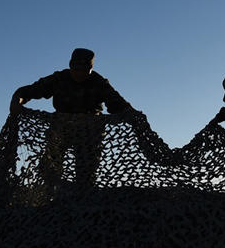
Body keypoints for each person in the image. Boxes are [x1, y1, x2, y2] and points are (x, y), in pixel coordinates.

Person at [10, 48, 133, 195]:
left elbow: (119, 105)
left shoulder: (99, 83)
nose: (80, 72)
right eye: (76, 68)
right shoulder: (59, 78)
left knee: (86, 175)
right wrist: (17, 101)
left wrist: (134, 115)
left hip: (89, 132)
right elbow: (27, 92)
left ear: (91, 68)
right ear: (70, 65)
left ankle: (81, 198)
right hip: (61, 128)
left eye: (85, 69)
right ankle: (54, 197)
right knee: (48, 169)